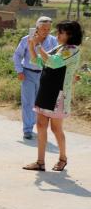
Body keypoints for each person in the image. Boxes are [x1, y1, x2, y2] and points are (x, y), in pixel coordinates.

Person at [23, 20, 83, 172]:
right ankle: (40, 162)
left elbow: (53, 62)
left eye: (61, 32)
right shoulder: (60, 47)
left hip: (59, 94)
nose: (58, 34)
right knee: (41, 125)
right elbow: (39, 62)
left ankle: (63, 158)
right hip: (46, 90)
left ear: (70, 35)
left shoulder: (72, 49)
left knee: (56, 129)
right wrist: (32, 46)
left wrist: (38, 46)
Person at [13, 17, 58, 140]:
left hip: (45, 75)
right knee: (28, 103)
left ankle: (40, 128)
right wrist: (19, 70)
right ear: (37, 28)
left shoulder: (53, 41)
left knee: (41, 104)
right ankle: (27, 129)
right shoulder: (26, 39)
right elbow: (17, 55)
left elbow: (54, 60)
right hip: (27, 74)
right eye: (43, 28)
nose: (46, 31)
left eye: (48, 29)